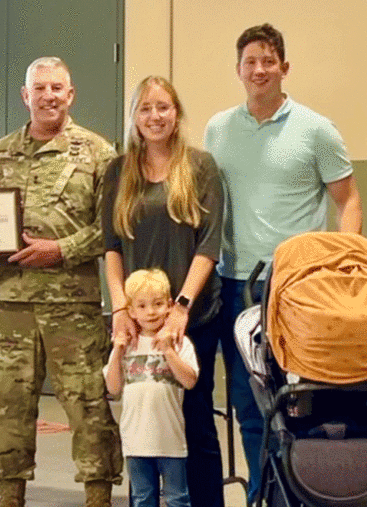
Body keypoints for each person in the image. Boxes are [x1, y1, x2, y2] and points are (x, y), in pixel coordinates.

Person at [203, 23, 363, 505]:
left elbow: (349, 202)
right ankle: (263, 494)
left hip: (296, 290)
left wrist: (336, 266)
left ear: (284, 68)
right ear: (238, 70)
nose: (259, 70)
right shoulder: (217, 129)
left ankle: (302, 493)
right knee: (248, 406)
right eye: (250, 61)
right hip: (234, 287)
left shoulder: (316, 129)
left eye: (268, 61)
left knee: (299, 401)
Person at [0, 56, 123, 507]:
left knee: (88, 403)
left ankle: (98, 494)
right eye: (40, 88)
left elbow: (113, 227)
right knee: (8, 402)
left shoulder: (98, 154)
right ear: (26, 96)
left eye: (57, 88)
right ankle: (10, 494)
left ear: (70, 95)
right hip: (12, 303)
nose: (49, 96)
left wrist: (62, 250)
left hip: (73, 303)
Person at [102, 76, 225, 507]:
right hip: (138, 323)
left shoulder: (201, 167)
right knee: (142, 427)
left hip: (192, 318)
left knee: (194, 421)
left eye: (163, 107)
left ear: (176, 114)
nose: (155, 117)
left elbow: (209, 245)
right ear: (134, 118)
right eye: (145, 109)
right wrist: (121, 309)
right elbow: (111, 247)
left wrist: (182, 309)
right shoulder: (118, 172)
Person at [104, 268, 198, 507]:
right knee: (142, 498)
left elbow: (189, 380)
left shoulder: (180, 343)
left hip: (171, 442)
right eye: (142, 306)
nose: (151, 312)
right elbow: (113, 387)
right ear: (131, 311)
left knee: (177, 498)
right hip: (136, 442)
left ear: (168, 305)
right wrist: (117, 351)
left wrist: (168, 351)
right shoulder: (127, 345)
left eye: (157, 304)